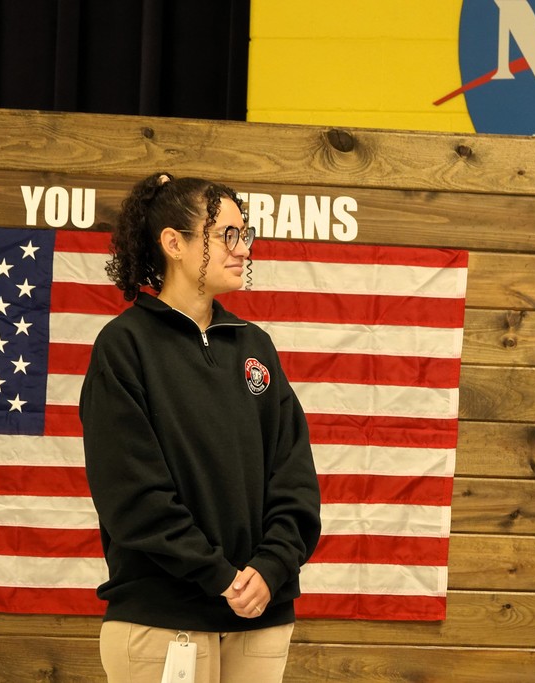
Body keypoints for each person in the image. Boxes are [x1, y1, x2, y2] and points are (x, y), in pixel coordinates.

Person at [80, 172, 321, 682]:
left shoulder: (255, 346)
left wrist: (270, 568)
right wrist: (219, 576)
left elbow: (294, 477)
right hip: (162, 619)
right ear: (174, 243)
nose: (243, 249)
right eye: (227, 235)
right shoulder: (125, 347)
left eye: (244, 234)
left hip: (260, 617)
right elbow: (132, 497)